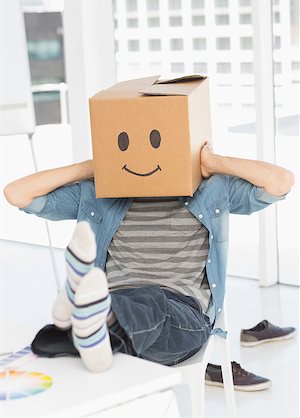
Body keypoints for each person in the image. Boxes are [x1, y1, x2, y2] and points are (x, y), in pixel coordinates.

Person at [4, 143, 295, 373]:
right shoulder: (101, 194)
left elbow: (281, 182)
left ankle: (94, 321)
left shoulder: (212, 190)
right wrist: (92, 167)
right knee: (130, 304)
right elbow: (17, 193)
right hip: (116, 300)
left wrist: (213, 162)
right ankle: (99, 331)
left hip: (182, 315)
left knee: (151, 300)